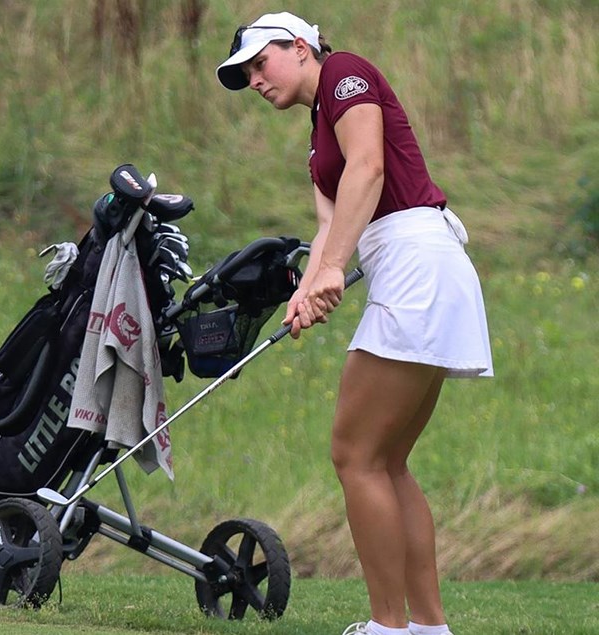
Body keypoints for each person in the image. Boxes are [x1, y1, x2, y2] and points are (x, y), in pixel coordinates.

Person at [214, 11, 493, 635]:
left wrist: (337, 267)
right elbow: (326, 228)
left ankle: (389, 628)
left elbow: (369, 168)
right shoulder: (317, 140)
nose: (255, 82)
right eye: (245, 75)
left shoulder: (345, 74)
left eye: (261, 64)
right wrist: (306, 290)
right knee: (386, 461)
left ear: (300, 47)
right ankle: (425, 628)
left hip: (417, 262)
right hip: (420, 270)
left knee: (355, 454)